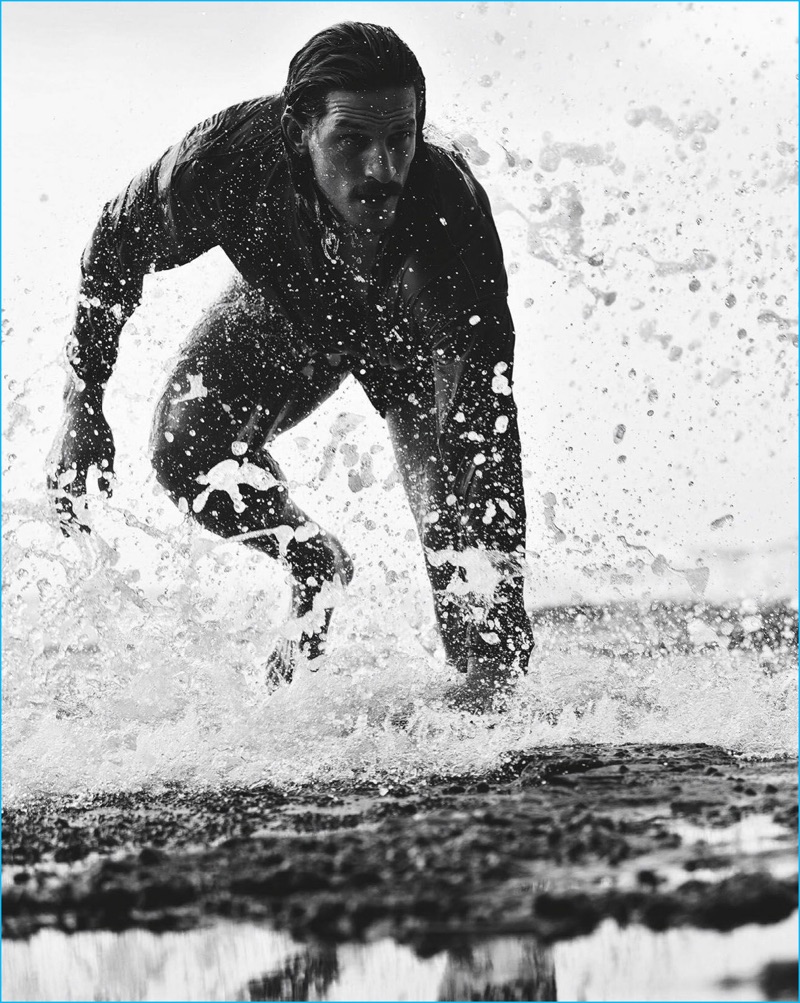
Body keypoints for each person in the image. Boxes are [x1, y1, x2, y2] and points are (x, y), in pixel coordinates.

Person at [48, 21, 533, 711]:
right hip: (287, 310)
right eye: (352, 142)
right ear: (298, 130)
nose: (381, 171)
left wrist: (500, 584)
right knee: (184, 452)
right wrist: (83, 402)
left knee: (477, 604)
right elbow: (112, 248)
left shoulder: (448, 208)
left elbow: (482, 417)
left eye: (400, 140)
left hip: (410, 344)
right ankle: (312, 559)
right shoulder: (222, 162)